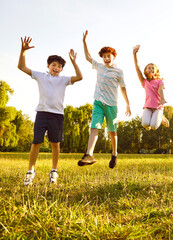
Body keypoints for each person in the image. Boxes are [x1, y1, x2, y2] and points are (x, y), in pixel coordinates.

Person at [18, 36, 83, 185]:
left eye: (59, 66)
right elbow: (22, 67)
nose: (56, 68)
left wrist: (74, 62)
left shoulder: (64, 79)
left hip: (57, 116)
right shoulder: (41, 76)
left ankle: (54, 171)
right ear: (48, 66)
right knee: (36, 142)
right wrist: (23, 51)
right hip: (42, 113)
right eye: (54, 65)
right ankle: (30, 171)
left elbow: (80, 77)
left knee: (55, 143)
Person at [78, 30, 131, 169]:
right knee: (94, 127)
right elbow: (88, 57)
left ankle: (114, 154)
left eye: (109, 56)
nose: (106, 59)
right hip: (98, 102)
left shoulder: (119, 72)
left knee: (112, 132)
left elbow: (123, 88)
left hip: (112, 105)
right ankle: (89, 154)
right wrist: (84, 41)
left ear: (113, 57)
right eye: (104, 57)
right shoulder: (99, 66)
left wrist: (128, 104)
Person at [133, 45, 169, 130]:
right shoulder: (145, 82)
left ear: (156, 71)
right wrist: (134, 54)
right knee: (145, 124)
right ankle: (153, 120)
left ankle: (162, 117)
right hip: (148, 106)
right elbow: (137, 68)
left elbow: (160, 89)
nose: (151, 69)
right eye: (149, 68)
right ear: (145, 71)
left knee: (153, 126)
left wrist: (162, 99)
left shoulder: (160, 81)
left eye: (153, 68)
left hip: (158, 107)